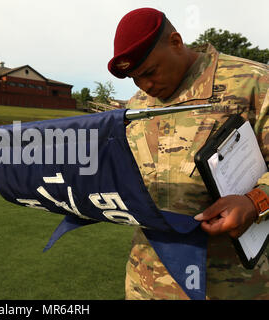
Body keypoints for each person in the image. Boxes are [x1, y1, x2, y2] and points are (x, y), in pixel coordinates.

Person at [107, 8, 269, 299]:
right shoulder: (136, 106)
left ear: (176, 42)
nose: (145, 85)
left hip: (230, 286)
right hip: (146, 283)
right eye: (134, 78)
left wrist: (254, 202)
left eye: (150, 72)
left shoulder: (252, 83)